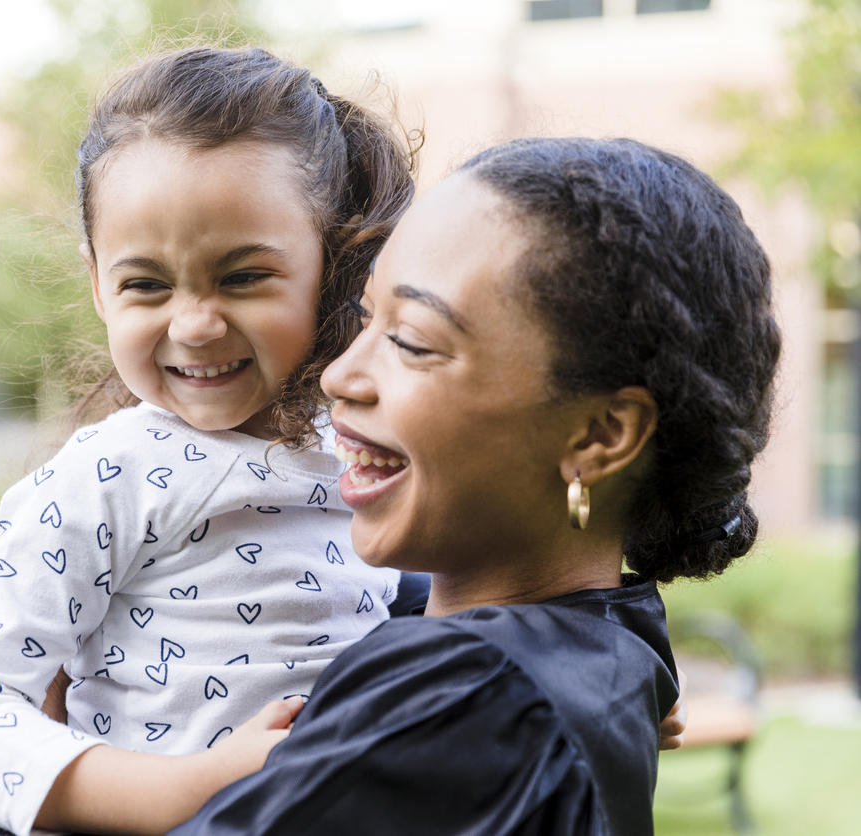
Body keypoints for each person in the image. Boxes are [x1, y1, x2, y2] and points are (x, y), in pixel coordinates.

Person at [170, 137, 781, 835]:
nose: (340, 375)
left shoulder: (473, 697)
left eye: (414, 341)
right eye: (367, 320)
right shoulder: (604, 651)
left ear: (600, 435)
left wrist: (47, 747)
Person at [0, 46, 418, 836]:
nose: (195, 323)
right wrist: (190, 786)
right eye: (146, 283)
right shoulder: (111, 474)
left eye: (244, 276)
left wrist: (571, 684)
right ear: (98, 286)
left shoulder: (366, 451)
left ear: (335, 265)